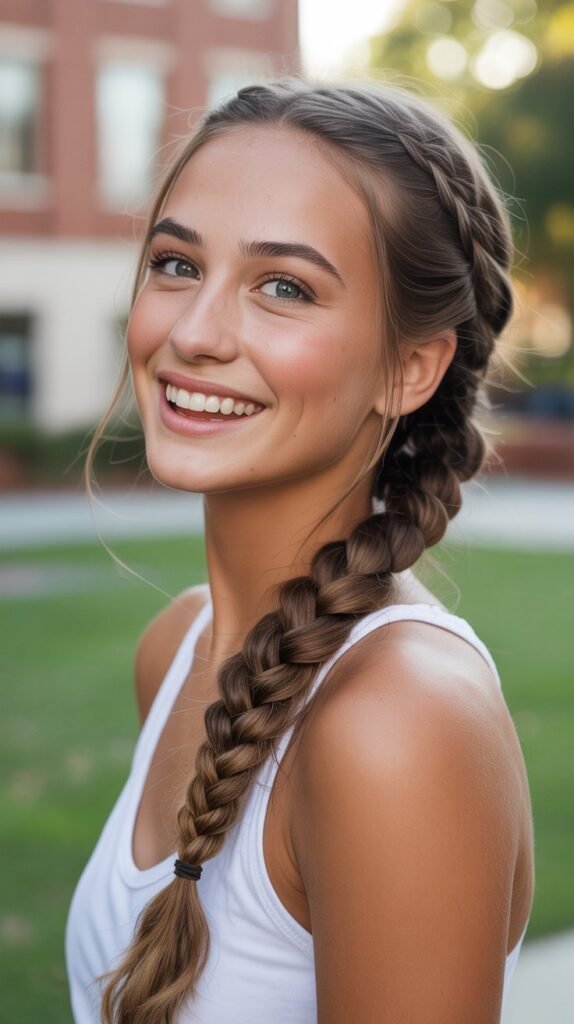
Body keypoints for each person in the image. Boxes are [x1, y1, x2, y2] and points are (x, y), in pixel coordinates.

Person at [66, 78, 535, 1024]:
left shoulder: (397, 724)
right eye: (175, 264)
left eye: (285, 287)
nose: (193, 334)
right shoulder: (175, 651)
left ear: (411, 367)